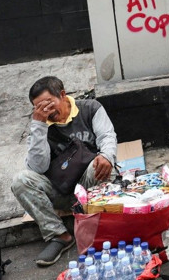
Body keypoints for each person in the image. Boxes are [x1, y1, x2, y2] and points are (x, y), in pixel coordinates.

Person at [11, 76, 117, 267]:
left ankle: (99, 225)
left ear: (62, 95)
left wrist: (107, 156)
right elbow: (37, 168)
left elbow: (107, 136)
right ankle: (60, 236)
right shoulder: (40, 126)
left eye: (49, 103)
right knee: (20, 180)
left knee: (100, 165)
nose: (47, 111)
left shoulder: (90, 108)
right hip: (61, 190)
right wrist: (39, 126)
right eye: (39, 107)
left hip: (90, 185)